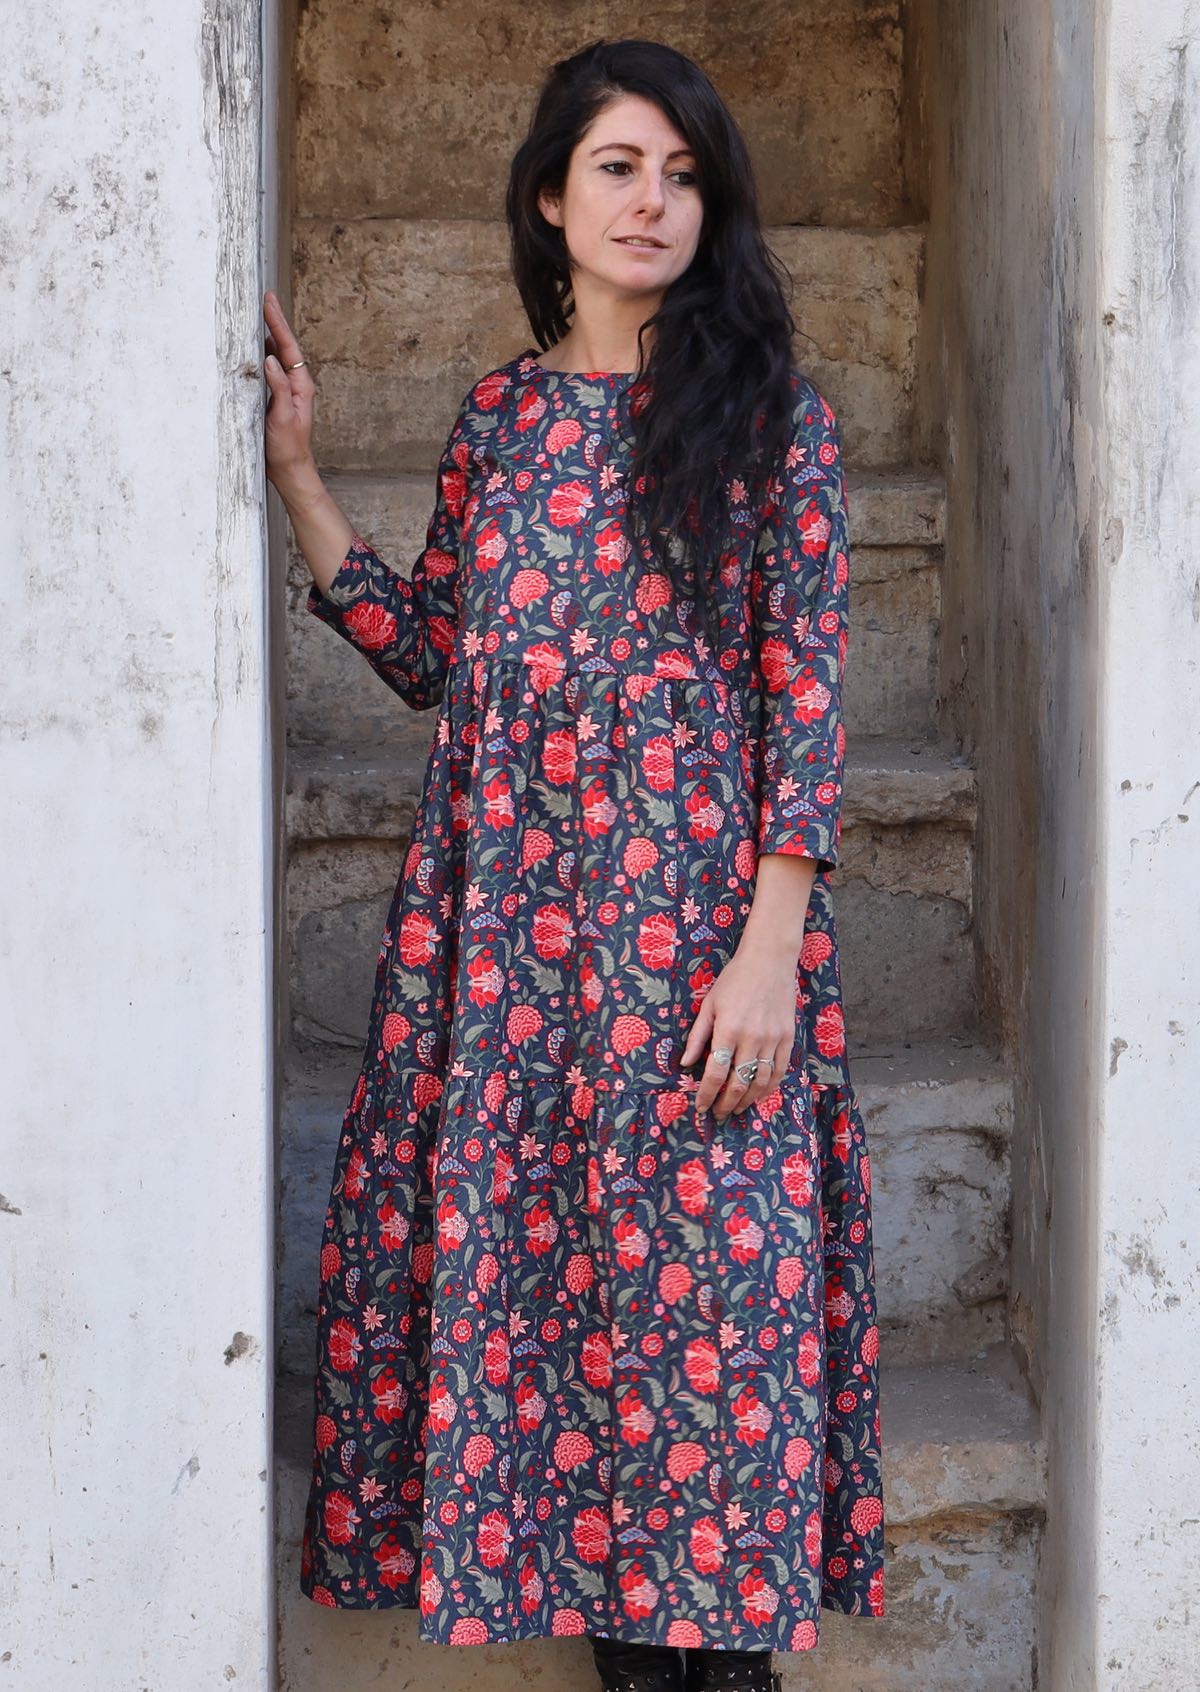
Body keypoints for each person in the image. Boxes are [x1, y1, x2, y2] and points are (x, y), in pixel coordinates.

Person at [263, 36, 884, 1692]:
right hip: (519, 971)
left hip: (700, 961)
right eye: (619, 167)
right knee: (574, 1371)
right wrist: (305, 486)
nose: (652, 202)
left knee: (720, 1358)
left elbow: (807, 705)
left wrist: (768, 949)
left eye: (683, 176)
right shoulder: (501, 420)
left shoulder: (773, 424)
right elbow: (441, 658)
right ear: (552, 196)